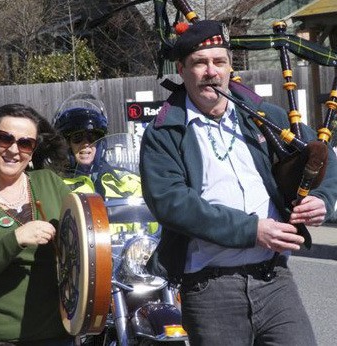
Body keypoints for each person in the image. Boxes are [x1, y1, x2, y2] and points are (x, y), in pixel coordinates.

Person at [139, 20, 337, 346]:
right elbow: (171, 203)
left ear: (231, 67)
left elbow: (322, 156)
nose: (211, 72)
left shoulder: (262, 115)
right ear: (182, 69)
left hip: (274, 279)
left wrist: (324, 200)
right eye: (200, 63)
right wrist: (252, 230)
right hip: (210, 289)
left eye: (219, 62)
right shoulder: (165, 130)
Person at [0, 104, 73, 345]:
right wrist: (16, 239)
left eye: (25, 143)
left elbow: (83, 232)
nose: (14, 149)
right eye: (4, 138)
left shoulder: (50, 183)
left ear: (32, 151)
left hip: (57, 334)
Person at [53, 93, 142, 199]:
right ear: (67, 144)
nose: (86, 144)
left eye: (92, 137)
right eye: (77, 137)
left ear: (101, 144)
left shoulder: (125, 179)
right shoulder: (56, 186)